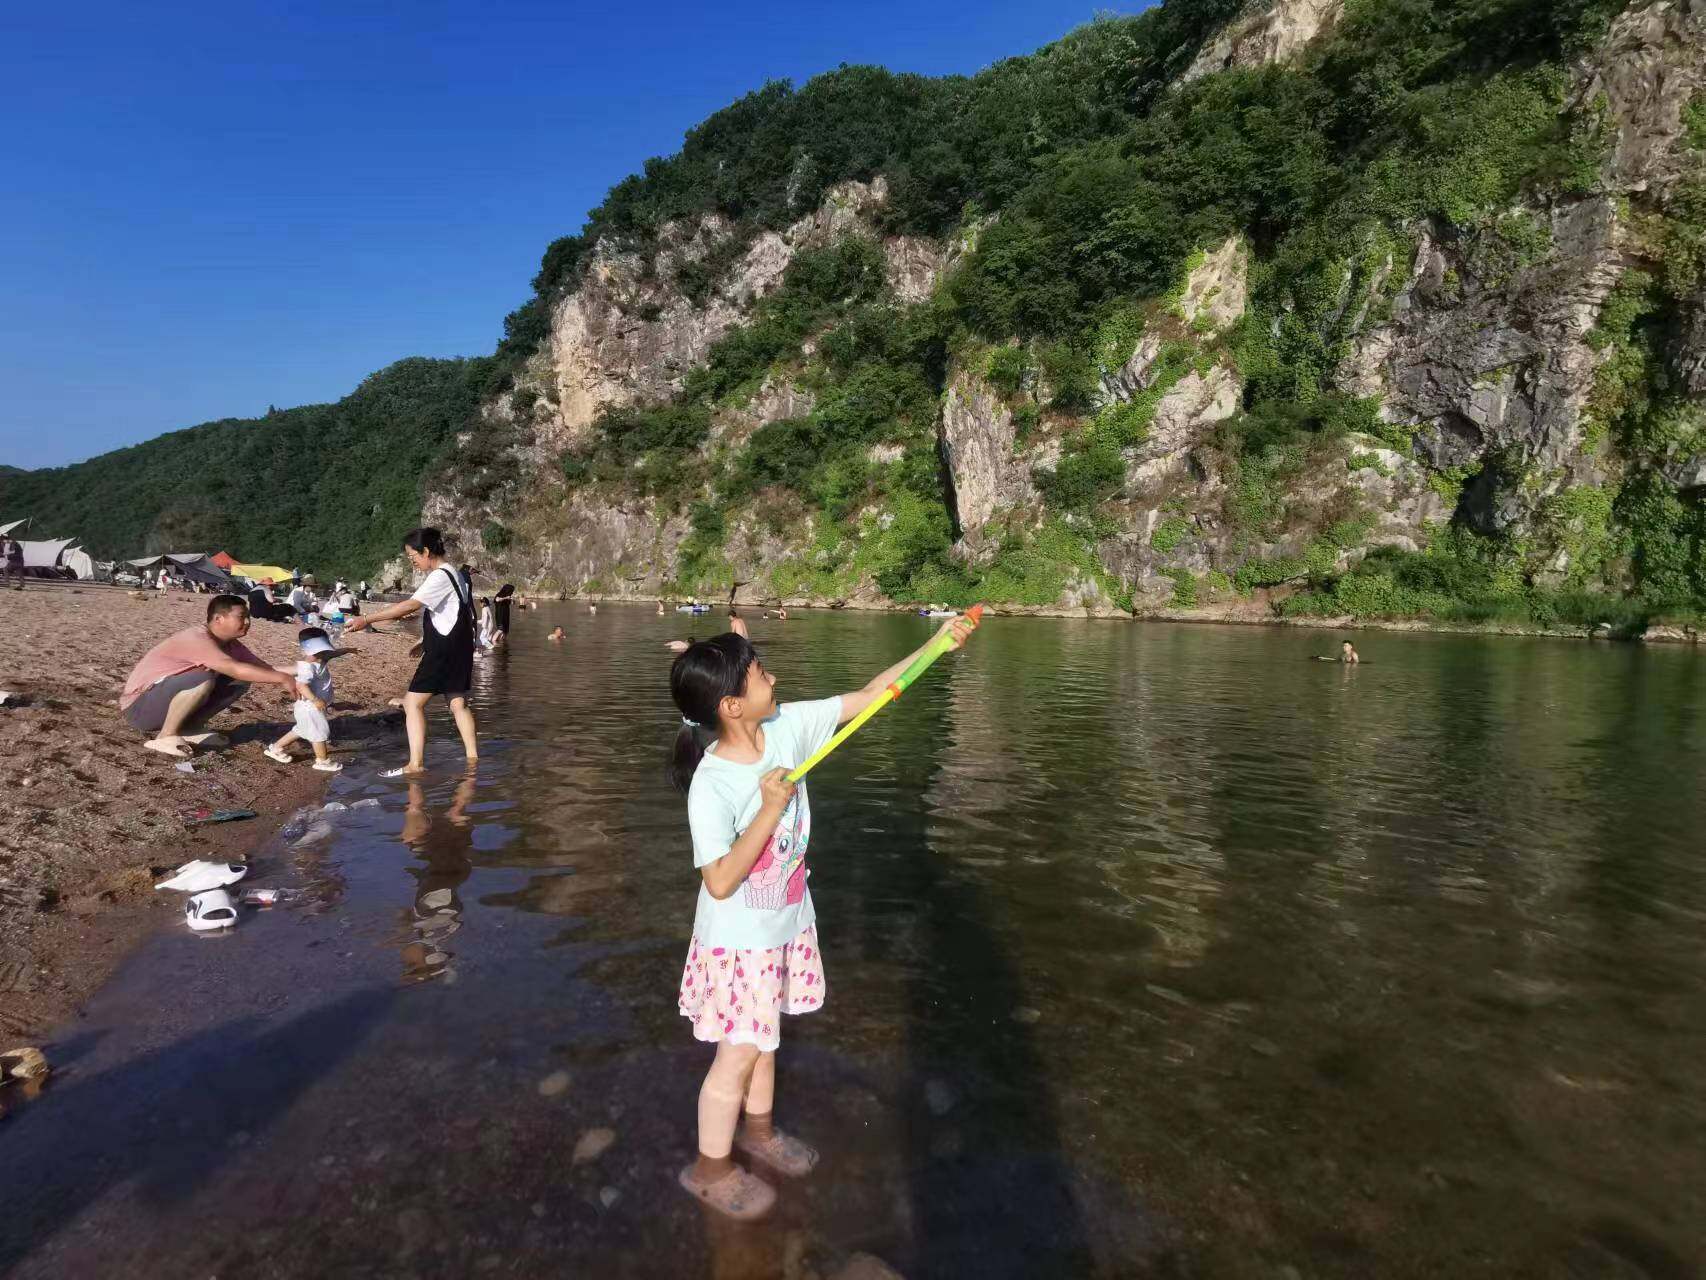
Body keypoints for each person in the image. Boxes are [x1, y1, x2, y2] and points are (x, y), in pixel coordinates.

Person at [667, 615, 976, 1219]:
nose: (773, 675)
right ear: (732, 705)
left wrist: (936, 644)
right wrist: (769, 808)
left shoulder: (786, 726)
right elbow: (721, 880)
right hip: (739, 942)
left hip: (785, 925)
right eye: (760, 673)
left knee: (766, 1041)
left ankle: (758, 1133)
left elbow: (872, 695)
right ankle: (709, 1168)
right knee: (736, 1054)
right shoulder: (714, 783)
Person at [344, 527, 478, 776]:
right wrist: (424, 640)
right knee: (458, 703)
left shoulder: (439, 576)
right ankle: (473, 759)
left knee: (413, 704)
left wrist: (367, 619)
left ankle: (415, 764)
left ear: (426, 551)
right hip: (460, 646)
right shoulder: (457, 574)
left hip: (445, 649)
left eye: (412, 556)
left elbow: (409, 606)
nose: (412, 561)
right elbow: (453, 613)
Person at [120, 594, 297, 758]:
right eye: (241, 616)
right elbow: (234, 668)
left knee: (241, 680)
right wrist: (283, 679)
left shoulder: (231, 644)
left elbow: (264, 669)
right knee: (202, 678)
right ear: (218, 618)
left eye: (248, 617)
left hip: (159, 704)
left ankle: (190, 728)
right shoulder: (197, 638)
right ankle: (166, 736)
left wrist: (304, 669)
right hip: (138, 709)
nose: (248, 622)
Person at [263, 627, 350, 772]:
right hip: (310, 707)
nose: (325, 653)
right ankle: (322, 761)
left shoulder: (321, 659)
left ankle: (276, 748)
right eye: (321, 650)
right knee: (319, 733)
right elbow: (301, 685)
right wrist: (315, 699)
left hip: (308, 707)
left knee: (300, 730)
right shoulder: (307, 667)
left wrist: (347, 650)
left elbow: (332, 654)